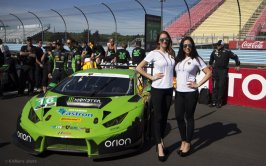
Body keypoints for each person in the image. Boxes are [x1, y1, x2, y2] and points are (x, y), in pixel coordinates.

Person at [136, 31, 175, 162]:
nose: (165, 41)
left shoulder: (171, 54)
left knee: (164, 118)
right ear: (159, 41)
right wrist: (151, 77)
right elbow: (139, 68)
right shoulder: (153, 53)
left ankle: (161, 142)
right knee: (158, 118)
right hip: (158, 89)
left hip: (169, 90)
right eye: (162, 39)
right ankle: (159, 146)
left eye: (167, 39)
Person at [174, 36, 212, 157]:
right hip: (179, 93)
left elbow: (209, 72)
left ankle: (188, 143)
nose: (187, 47)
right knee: (179, 117)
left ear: (192, 46)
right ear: (182, 47)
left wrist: (198, 84)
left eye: (189, 45)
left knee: (188, 117)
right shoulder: (178, 59)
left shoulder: (196, 59)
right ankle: (183, 140)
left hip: (190, 93)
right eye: (185, 45)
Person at [209, 40, 240, 108]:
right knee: (214, 86)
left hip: (223, 71)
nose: (218, 46)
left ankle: (219, 102)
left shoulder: (227, 51)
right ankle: (213, 101)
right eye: (217, 44)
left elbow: (236, 57)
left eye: (219, 44)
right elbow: (211, 59)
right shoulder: (214, 51)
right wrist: (210, 64)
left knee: (221, 87)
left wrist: (237, 65)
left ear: (222, 45)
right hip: (215, 71)